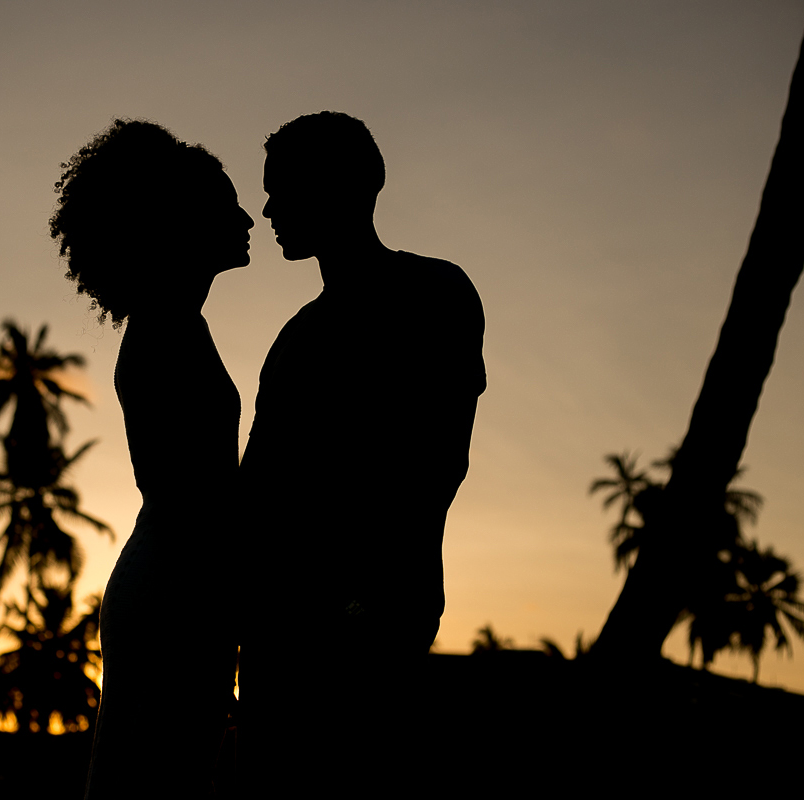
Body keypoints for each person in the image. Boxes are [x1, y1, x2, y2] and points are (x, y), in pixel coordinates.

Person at [237, 112, 486, 798]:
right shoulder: (294, 340)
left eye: (281, 190)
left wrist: (367, 600)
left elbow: (438, 458)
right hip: (280, 630)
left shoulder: (435, 294)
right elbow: (256, 492)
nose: (267, 210)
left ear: (341, 187)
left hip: (369, 617)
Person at [49, 119, 254, 799]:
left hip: (173, 579)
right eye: (226, 204)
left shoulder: (175, 325)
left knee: (148, 793)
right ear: (182, 220)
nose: (247, 217)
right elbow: (199, 497)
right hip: (177, 587)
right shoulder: (167, 331)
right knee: (150, 799)